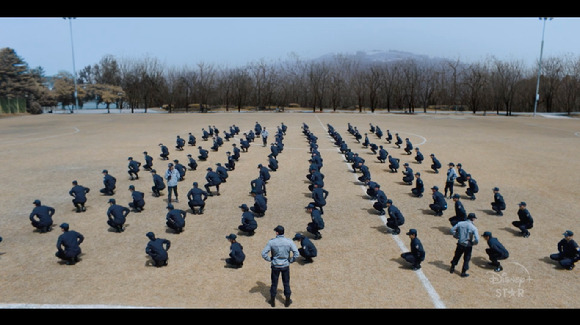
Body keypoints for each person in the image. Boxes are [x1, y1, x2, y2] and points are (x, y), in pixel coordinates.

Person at [261, 225, 300, 307]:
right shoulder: (289, 242)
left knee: (274, 283)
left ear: (277, 232)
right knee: (286, 283)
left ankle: (272, 301)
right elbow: (296, 253)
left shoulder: (272, 242)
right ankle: (287, 301)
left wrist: (270, 259)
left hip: (275, 265)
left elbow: (263, 253)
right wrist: (291, 260)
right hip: (285, 265)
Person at [449, 213, 479, 277]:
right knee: (466, 259)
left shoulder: (460, 223)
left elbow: (452, 230)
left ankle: (452, 268)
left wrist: (456, 236)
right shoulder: (473, 228)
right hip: (468, 245)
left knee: (456, 256)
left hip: (460, 243)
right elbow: (477, 239)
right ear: (473, 219)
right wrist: (473, 243)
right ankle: (463, 272)